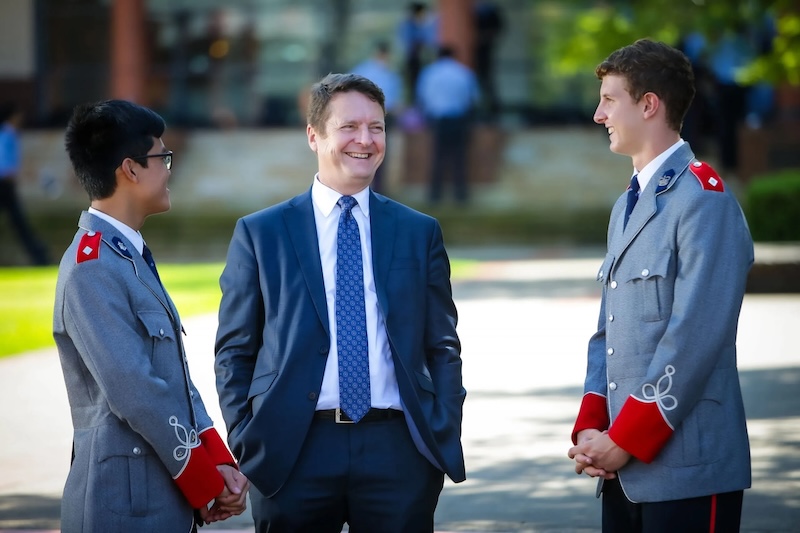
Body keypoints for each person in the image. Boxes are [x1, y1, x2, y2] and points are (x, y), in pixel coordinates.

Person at [214, 72, 466, 532]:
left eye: (377, 127)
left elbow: (442, 344)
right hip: (293, 451)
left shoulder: (419, 231)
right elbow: (235, 349)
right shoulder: (260, 233)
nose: (365, 140)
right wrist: (248, 439)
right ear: (314, 135)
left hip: (398, 451)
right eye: (349, 127)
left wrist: (443, 425)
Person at [567, 39, 753, 532]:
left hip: (688, 469)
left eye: (609, 100)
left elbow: (695, 336)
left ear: (649, 104)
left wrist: (624, 439)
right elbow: (608, 330)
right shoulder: (626, 205)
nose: (598, 114)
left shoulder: (703, 200)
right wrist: (593, 425)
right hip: (621, 467)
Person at [54, 99, 249, 532]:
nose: (168, 170)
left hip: (158, 494)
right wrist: (204, 482)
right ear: (131, 168)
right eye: (163, 158)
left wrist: (217, 461)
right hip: (121, 505)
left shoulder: (127, 254)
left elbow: (171, 377)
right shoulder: (92, 267)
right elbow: (136, 391)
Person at [416, 45, 480, 204]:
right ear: (454, 56)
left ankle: (435, 194)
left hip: (438, 120)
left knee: (437, 157)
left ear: (438, 56)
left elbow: (422, 97)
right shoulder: (464, 73)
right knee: (460, 158)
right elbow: (474, 98)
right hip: (459, 119)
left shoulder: (429, 73)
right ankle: (460, 194)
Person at [0, 102, 49, 265]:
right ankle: (39, 257)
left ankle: (39, 256)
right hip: (4, 185)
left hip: (6, 185)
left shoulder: (12, 134)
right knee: (20, 223)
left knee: (19, 223)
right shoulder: (7, 134)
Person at [351, 40, 403, 194]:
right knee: (377, 153)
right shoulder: (390, 74)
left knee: (362, 151)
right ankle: (376, 188)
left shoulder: (362, 70)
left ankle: (363, 187)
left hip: (364, 116)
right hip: (380, 116)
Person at [396, 2, 438, 102]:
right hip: (414, 60)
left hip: (421, 59)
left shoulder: (422, 25)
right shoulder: (409, 26)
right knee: (414, 85)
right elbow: (410, 44)